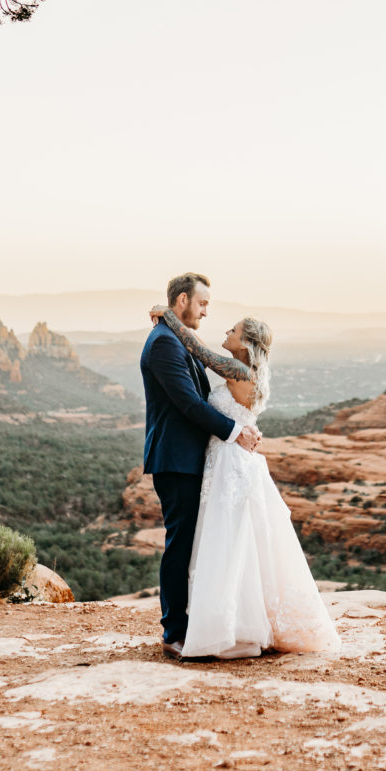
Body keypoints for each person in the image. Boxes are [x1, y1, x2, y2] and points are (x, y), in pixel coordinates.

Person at [148, 297, 340, 659]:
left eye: (233, 330)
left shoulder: (239, 371)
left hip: (230, 464)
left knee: (229, 544)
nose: (226, 331)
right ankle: (230, 622)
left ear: (247, 342)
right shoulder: (241, 370)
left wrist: (168, 317)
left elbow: (200, 352)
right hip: (226, 458)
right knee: (233, 543)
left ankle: (230, 627)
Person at [140, 273, 264, 659]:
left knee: (198, 546)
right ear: (182, 301)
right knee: (179, 546)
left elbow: (204, 356)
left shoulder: (175, 337)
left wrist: (168, 318)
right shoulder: (163, 344)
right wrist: (235, 432)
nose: (207, 312)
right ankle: (174, 632)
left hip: (197, 460)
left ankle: (203, 624)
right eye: (202, 304)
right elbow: (189, 405)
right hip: (176, 460)